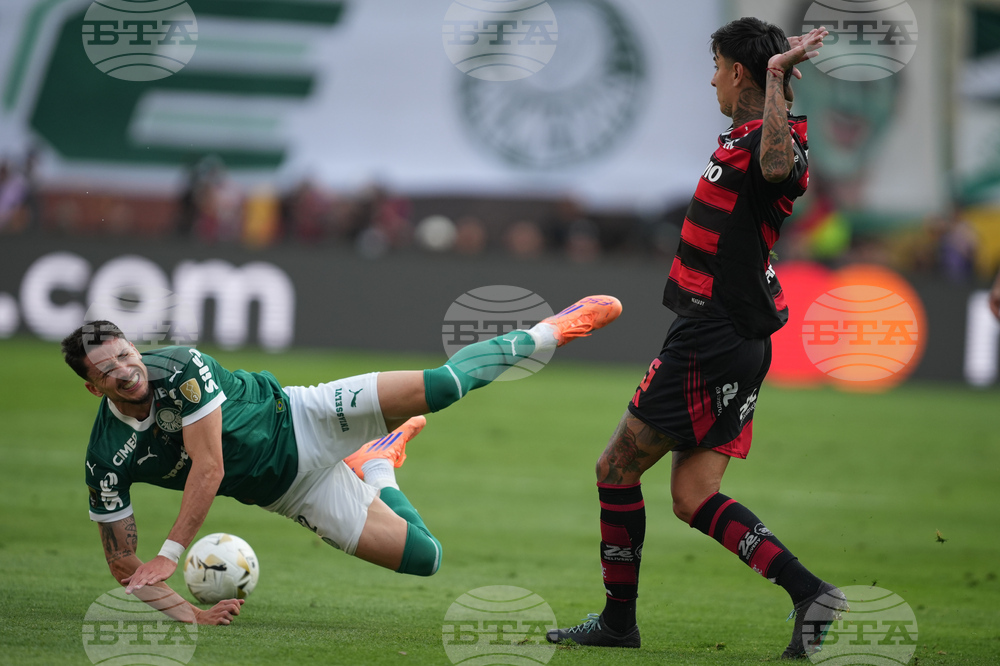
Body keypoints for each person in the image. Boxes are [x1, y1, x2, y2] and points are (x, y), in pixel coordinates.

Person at [545, 19, 847, 659]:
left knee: (615, 469)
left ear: (738, 71)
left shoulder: (779, 142)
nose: (710, 78)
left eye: (715, 65)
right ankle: (808, 591)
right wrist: (776, 83)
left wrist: (774, 78)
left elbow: (774, 166)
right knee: (692, 497)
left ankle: (619, 623)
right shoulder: (743, 134)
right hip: (727, 334)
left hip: (713, 336)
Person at [63, 295, 622, 625]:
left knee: (444, 386)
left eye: (126, 354)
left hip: (307, 416)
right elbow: (123, 564)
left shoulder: (179, 367)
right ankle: (379, 462)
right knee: (425, 557)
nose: (127, 369)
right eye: (107, 369)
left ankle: (550, 330)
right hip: (291, 492)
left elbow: (208, 468)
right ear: (94, 388)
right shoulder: (106, 458)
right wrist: (192, 614)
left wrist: (171, 552)